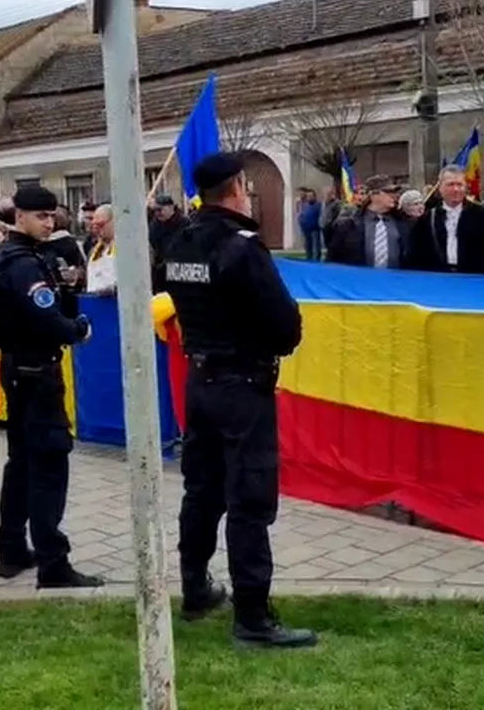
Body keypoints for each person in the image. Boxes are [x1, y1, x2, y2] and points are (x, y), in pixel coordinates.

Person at [161, 152, 317, 649]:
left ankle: (194, 587)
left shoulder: (181, 239)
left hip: (201, 379)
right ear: (237, 188)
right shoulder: (243, 247)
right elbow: (284, 326)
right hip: (242, 384)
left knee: (201, 488)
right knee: (249, 497)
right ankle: (253, 616)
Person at [0, 185, 99, 587]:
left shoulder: (21, 257)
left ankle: (12, 549)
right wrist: (78, 330)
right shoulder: (22, 263)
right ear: (20, 216)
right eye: (40, 217)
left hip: (20, 369)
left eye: (51, 217)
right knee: (49, 464)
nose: (48, 223)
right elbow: (46, 318)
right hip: (36, 371)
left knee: (21, 462)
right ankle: (54, 563)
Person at [405, 164, 484, 274]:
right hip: (438, 279)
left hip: (473, 279)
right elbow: (414, 255)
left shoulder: (482, 216)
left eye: (460, 185)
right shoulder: (426, 219)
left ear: (466, 187)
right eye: (450, 185)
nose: (455, 189)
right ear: (440, 187)